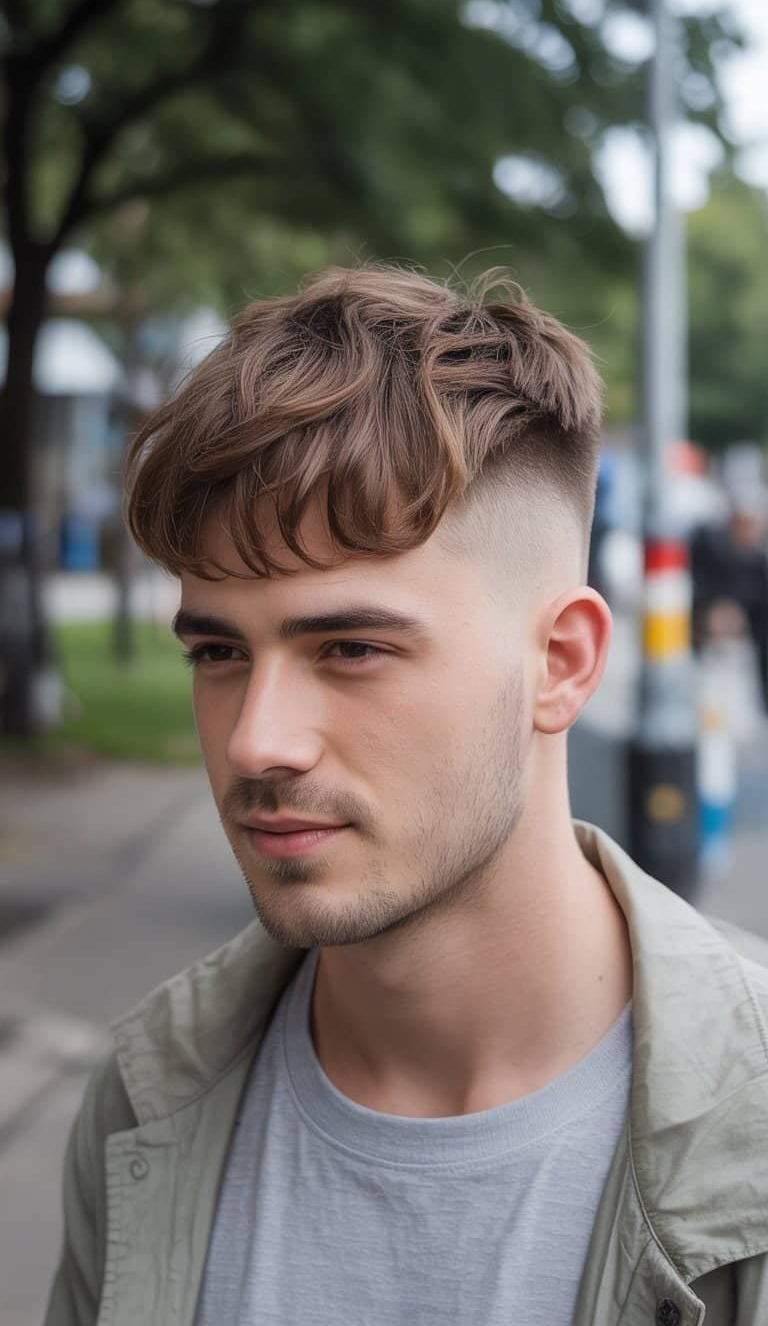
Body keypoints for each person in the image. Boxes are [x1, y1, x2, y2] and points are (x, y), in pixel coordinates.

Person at [45, 267, 768, 1326]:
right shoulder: (147, 1096)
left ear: (561, 663)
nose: (255, 742)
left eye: (351, 647)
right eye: (217, 652)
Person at [691, 489, 768, 714]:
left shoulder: (759, 563)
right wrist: (711, 614)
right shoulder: (711, 549)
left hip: (746, 652)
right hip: (710, 646)